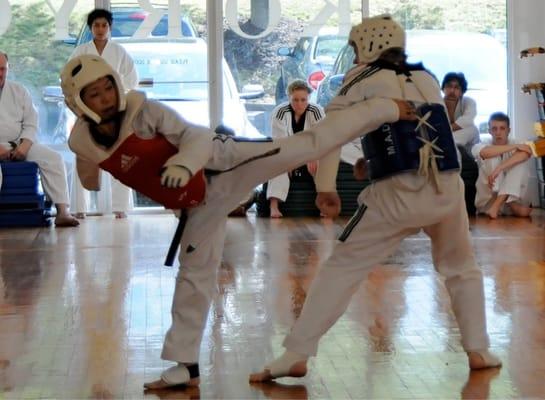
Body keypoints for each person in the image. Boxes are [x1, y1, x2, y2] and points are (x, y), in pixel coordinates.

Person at [60, 54, 416, 389]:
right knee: (192, 275)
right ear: (79, 102)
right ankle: (185, 365)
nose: (106, 97)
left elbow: (195, 136)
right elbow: (91, 178)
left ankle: (384, 109)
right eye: (95, 94)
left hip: (223, 163)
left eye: (108, 87)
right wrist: (88, 163)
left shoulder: (145, 112)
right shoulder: (83, 141)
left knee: (307, 144)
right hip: (198, 206)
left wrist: (184, 164)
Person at [250, 15, 502, 384]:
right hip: (446, 189)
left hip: (395, 197)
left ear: (367, 47)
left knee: (342, 266)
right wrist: (374, 162)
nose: (352, 56)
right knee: (462, 267)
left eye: (354, 49)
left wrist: (325, 188)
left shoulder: (360, 80)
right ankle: (478, 348)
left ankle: (296, 353)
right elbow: (425, 136)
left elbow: (329, 136)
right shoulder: (426, 77)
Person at [69, 8, 138, 219]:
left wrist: (116, 98)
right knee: (84, 154)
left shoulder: (119, 52)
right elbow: (69, 80)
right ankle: (79, 207)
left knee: (119, 155)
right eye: (96, 25)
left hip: (114, 110)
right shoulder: (81, 52)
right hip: (86, 110)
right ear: (90, 28)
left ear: (110, 27)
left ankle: (120, 207)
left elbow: (131, 80)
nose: (100, 29)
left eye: (104, 25)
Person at [0, 51, 78, 227]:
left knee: (54, 159)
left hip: (19, 143)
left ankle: (62, 212)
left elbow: (31, 122)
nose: (0, 73)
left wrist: (25, 145)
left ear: (8, 69)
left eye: (2, 69)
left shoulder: (19, 91)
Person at [267, 80, 324, 218]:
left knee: (323, 166)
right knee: (278, 164)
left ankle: (324, 204)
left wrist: (313, 156)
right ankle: (273, 206)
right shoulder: (280, 112)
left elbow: (322, 138)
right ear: (289, 98)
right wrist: (289, 160)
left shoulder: (316, 111)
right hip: (286, 151)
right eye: (295, 100)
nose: (299, 104)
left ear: (308, 98)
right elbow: (280, 142)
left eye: (303, 100)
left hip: (310, 151)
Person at [471, 112, 532, 219]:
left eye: (502, 128)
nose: (498, 132)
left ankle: (501, 204)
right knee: (493, 156)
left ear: (509, 130)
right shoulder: (480, 144)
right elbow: (486, 152)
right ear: (489, 131)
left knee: (520, 163)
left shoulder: (517, 141)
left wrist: (500, 168)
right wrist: (516, 147)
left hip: (512, 201)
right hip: (489, 202)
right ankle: (499, 204)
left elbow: (526, 152)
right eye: (494, 129)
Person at [442, 72, 480, 153]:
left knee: (473, 129)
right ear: (443, 89)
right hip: (444, 141)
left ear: (462, 92)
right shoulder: (437, 104)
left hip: (467, 147)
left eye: (456, 88)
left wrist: (446, 131)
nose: (452, 90)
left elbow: (468, 120)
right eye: (449, 86)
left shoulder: (468, 102)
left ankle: (446, 144)